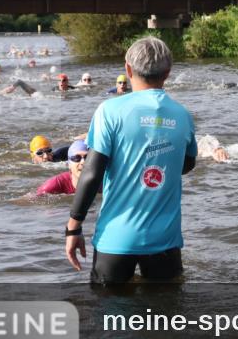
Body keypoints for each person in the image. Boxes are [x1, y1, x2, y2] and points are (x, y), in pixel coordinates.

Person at [65, 37, 198, 284]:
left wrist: (73, 227)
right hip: (165, 240)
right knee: (166, 307)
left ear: (128, 69)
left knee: (109, 306)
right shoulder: (183, 115)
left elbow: (92, 173)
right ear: (168, 73)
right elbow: (187, 165)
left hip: (116, 239)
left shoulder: (109, 111)